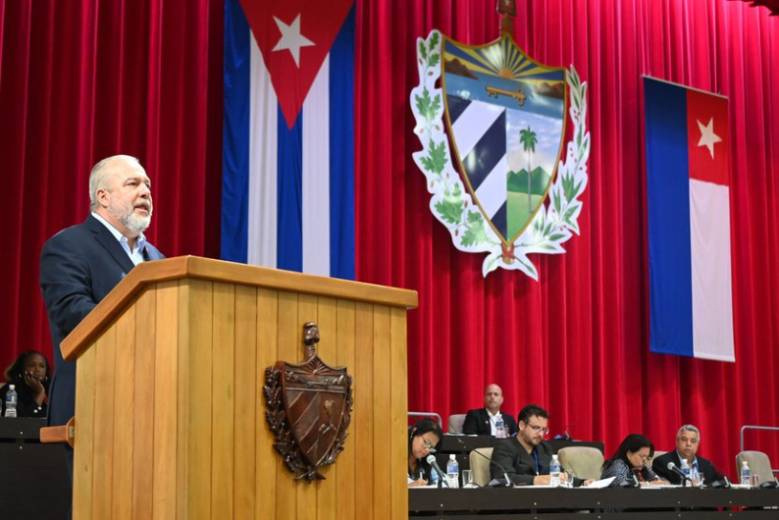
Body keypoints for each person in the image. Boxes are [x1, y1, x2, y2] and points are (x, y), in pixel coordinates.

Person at [40, 155, 164, 429]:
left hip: (152, 410)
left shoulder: (158, 259)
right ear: (103, 197)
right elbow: (74, 313)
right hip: (89, 406)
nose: (145, 192)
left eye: (147, 185)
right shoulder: (68, 246)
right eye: (133, 184)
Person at [490, 404, 587, 486]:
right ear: (522, 425)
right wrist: (536, 480)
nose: (541, 434)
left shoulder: (544, 447)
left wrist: (582, 482)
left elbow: (560, 475)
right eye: (536, 428)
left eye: (544, 430)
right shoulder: (505, 446)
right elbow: (503, 478)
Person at [652, 424, 724, 486]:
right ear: (677, 441)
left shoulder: (706, 465)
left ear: (697, 444)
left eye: (693, 441)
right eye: (684, 439)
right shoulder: (663, 462)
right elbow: (662, 488)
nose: (688, 444)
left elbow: (724, 481)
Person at [0, 350, 50, 417]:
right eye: (32, 365)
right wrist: (40, 393)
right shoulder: (10, 390)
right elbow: (22, 421)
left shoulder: (51, 389)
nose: (37, 369)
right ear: (22, 369)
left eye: (42, 366)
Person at [408, 419, 443, 487]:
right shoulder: (396, 454)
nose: (427, 450)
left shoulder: (427, 462)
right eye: (426, 442)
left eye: (431, 447)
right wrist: (410, 486)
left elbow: (443, 482)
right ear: (414, 432)